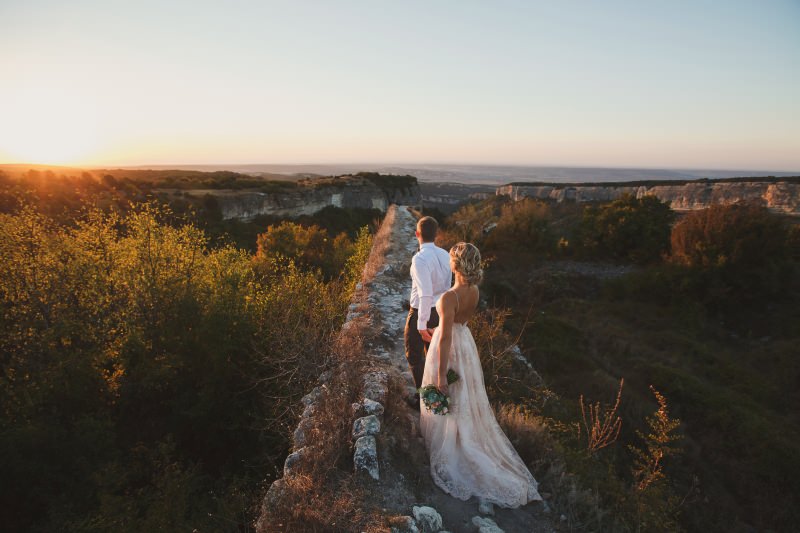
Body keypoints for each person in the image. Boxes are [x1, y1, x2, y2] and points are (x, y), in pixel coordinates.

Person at [420, 242, 542, 509]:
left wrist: (440, 375)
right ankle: (460, 435)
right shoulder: (474, 291)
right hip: (466, 345)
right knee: (464, 397)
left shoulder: (448, 298)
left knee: (446, 391)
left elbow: (445, 339)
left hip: (450, 347)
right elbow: (459, 326)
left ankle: (453, 444)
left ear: (455, 264)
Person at [404, 216, 452, 391]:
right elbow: (448, 286)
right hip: (440, 312)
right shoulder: (445, 254)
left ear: (417, 234)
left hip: (420, 312)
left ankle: (422, 397)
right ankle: (435, 393)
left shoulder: (420, 258)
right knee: (435, 355)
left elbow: (425, 294)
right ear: (436, 234)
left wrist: (421, 325)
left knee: (414, 356)